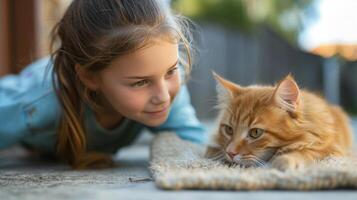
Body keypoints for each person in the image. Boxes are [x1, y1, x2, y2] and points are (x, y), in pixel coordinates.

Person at [0, 0, 206, 169]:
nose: (163, 96)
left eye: (171, 70)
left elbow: (194, 145)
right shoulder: (39, 102)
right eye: (141, 82)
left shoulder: (165, 91)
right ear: (90, 77)